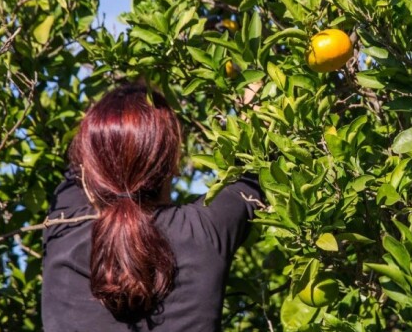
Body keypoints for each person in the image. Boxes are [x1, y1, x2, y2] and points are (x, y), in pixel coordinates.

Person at [41, 83, 263, 331]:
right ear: (174, 164)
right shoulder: (205, 230)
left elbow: (79, 167)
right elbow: (255, 165)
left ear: (89, 172)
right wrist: (253, 88)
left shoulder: (62, 230)